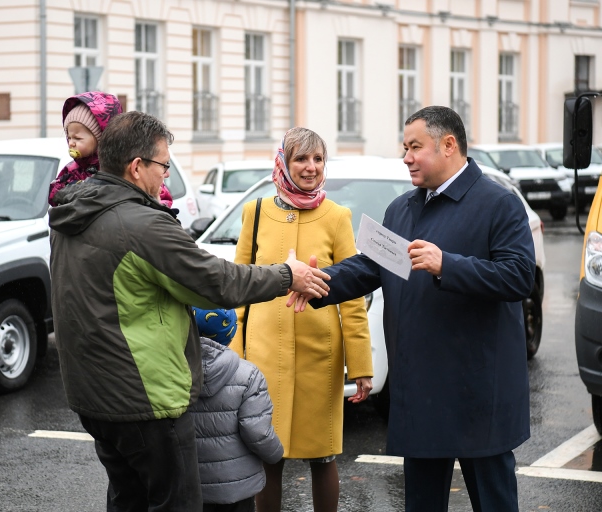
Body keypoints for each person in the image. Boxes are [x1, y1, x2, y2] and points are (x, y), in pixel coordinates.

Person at [48, 111, 330, 511]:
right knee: (175, 503)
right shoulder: (142, 224)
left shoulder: (71, 210)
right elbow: (216, 283)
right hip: (145, 398)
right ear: (136, 167)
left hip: (90, 393)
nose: (166, 175)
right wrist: (288, 275)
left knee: (128, 500)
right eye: (163, 165)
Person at [296, 106, 535, 512]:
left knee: (494, 502)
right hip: (421, 394)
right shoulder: (402, 208)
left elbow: (518, 277)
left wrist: (449, 265)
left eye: (414, 147)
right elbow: (368, 267)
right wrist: (315, 283)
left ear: (448, 145)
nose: (406, 157)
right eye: (404, 148)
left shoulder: (498, 203)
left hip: (479, 395)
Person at [232, 127, 373, 512]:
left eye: (318, 159)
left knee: (323, 455)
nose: (311, 168)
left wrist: (360, 365)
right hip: (261, 356)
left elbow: (352, 297)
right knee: (268, 455)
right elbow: (238, 289)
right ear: (283, 162)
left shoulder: (338, 216)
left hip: (320, 356)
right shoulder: (255, 212)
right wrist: (233, 354)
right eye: (301, 159)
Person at [190, 307, 284, 512]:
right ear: (231, 332)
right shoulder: (248, 375)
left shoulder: (175, 371)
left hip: (190, 484)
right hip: (237, 486)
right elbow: (257, 431)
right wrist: (276, 453)